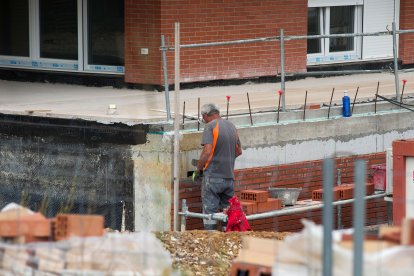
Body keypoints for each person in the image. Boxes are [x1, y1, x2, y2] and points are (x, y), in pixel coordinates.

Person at [192, 103, 242, 230]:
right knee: (227, 212)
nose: (203, 120)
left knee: (210, 213)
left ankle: (211, 240)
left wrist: (198, 169)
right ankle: (227, 239)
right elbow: (239, 151)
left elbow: (207, 151)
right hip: (229, 178)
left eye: (203, 118)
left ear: (205, 115)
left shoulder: (210, 126)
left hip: (213, 178)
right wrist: (226, 161)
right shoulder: (232, 126)